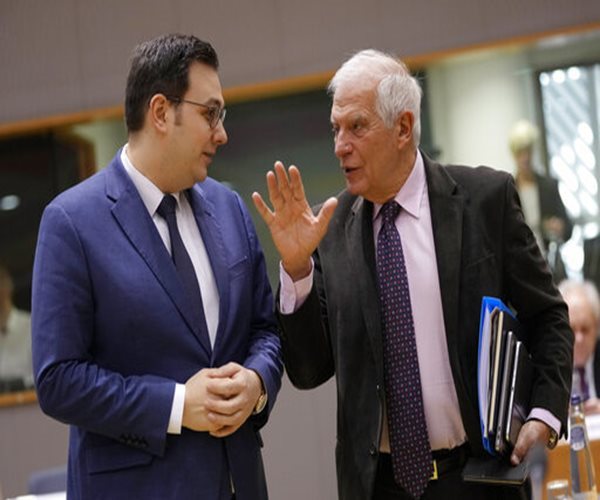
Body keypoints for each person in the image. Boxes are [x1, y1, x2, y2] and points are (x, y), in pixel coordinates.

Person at [252, 49, 573, 500]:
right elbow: (308, 371)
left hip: (479, 477)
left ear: (403, 127)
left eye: (356, 127)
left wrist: (544, 413)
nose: (340, 145)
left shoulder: (485, 200)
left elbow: (549, 318)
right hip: (379, 486)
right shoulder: (330, 229)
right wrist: (296, 267)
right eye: (335, 128)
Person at [31, 34, 282, 500]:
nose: (222, 133)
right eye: (211, 114)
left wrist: (256, 384)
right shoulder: (71, 222)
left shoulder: (228, 207)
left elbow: (263, 330)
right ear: (162, 112)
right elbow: (58, 379)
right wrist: (177, 405)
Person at [509, 119, 572, 276]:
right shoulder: (509, 191)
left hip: (551, 267)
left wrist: (560, 227)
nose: (525, 157)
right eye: (520, 152)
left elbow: (568, 228)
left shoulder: (549, 186)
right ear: (514, 155)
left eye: (528, 151)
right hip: (523, 269)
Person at [558, 279, 600, 414]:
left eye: (585, 329)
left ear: (597, 327)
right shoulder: (548, 363)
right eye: (572, 329)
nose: (579, 339)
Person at [0, 265, 33, 390]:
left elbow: (43, 377)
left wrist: (16, 384)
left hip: (28, 399)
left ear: (7, 286)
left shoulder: (30, 327)